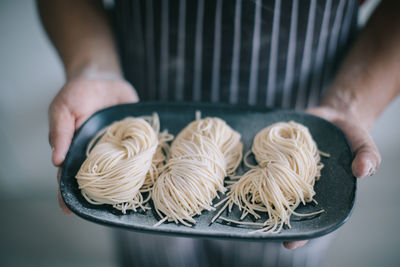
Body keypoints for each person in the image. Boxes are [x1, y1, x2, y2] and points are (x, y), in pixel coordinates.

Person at [37, 0, 399, 266]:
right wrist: (94, 67)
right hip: (140, 99)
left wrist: (352, 102)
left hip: (307, 113)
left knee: (280, 245)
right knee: (151, 252)